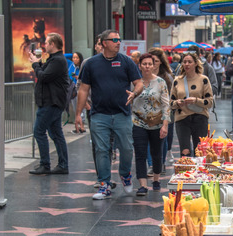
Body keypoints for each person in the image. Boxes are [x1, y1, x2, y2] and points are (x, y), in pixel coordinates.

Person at [75, 29, 143, 200]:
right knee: (102, 150)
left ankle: (125, 174)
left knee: (127, 148)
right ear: (104, 42)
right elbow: (83, 89)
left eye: (119, 39)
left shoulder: (126, 61)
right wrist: (78, 114)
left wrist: (135, 93)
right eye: (114, 40)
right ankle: (104, 184)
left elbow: (139, 82)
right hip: (99, 115)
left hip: (122, 113)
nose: (118, 42)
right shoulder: (91, 64)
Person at [29, 32, 70, 175]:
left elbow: (44, 77)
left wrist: (35, 64)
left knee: (39, 131)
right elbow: (46, 74)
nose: (45, 45)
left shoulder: (58, 60)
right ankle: (62, 164)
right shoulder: (54, 60)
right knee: (56, 133)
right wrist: (39, 63)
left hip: (51, 102)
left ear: (53, 44)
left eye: (46, 43)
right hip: (52, 101)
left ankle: (45, 164)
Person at [132, 53, 169, 195]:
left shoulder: (160, 82)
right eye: (144, 64)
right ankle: (142, 185)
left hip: (157, 123)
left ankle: (156, 179)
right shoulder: (135, 82)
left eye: (149, 64)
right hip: (138, 122)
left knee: (156, 153)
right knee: (140, 153)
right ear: (140, 66)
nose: (147, 66)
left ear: (154, 65)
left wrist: (165, 125)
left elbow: (166, 105)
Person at [170, 52, 213, 157]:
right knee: (185, 152)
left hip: (200, 118)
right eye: (184, 62)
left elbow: (210, 101)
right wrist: (178, 103)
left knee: (200, 152)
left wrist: (196, 100)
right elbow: (171, 103)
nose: (187, 64)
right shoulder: (177, 81)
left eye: (189, 62)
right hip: (182, 119)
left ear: (195, 64)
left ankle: (200, 173)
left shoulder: (203, 79)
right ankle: (185, 173)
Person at [149, 47, 175, 169]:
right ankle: (151, 165)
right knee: (149, 141)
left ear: (161, 62)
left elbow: (171, 97)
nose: (153, 64)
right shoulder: (143, 77)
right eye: (151, 61)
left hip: (164, 113)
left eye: (156, 61)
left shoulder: (168, 77)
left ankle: (161, 163)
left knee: (162, 140)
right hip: (147, 114)